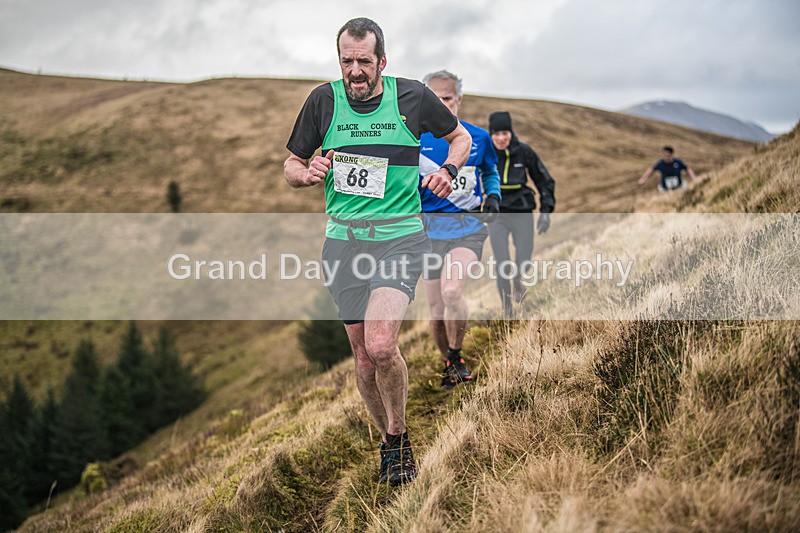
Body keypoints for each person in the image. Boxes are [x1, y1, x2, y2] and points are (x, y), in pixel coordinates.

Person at [283, 17, 471, 486]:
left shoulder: (410, 97)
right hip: (343, 243)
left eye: (364, 62)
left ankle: (399, 435)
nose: (354, 71)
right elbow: (291, 162)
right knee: (362, 358)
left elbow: (461, 137)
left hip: (399, 238)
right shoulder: (322, 101)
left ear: (381, 61)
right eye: (346, 61)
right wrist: (304, 174)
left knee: (382, 344)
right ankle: (389, 447)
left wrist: (448, 168)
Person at [417, 70, 501, 389]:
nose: (441, 104)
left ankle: (456, 355)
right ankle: (447, 363)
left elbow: (490, 171)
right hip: (426, 233)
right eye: (434, 99)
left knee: (453, 292)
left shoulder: (477, 137)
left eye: (447, 98)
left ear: (459, 100)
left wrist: (493, 196)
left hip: (468, 229)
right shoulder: (415, 139)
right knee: (436, 310)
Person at [487, 111, 556, 318]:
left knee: (524, 256)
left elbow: (545, 181)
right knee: (501, 262)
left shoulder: (524, 151)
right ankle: (508, 311)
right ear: (490, 134)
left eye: (504, 133)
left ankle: (518, 279)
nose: (501, 138)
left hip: (522, 209)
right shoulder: (486, 152)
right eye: (496, 134)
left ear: (511, 132)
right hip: (497, 213)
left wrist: (546, 212)